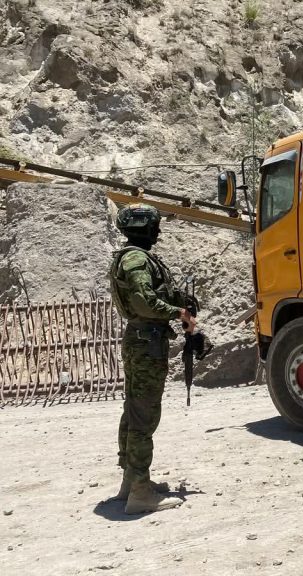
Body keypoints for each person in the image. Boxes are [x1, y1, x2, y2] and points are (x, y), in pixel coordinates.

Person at [108, 203, 196, 514]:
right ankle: (140, 493)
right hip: (147, 343)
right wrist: (179, 312)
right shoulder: (136, 259)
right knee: (144, 415)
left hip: (141, 339)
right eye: (154, 226)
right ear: (144, 227)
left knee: (134, 410)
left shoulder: (133, 257)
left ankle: (131, 481)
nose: (157, 231)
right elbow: (144, 301)